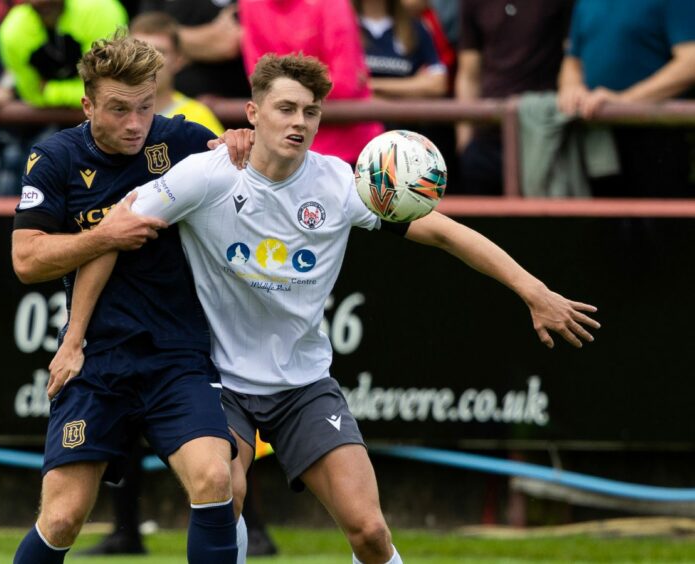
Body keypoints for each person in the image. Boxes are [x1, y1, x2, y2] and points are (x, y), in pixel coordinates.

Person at [53, 53, 601, 564]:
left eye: (311, 111)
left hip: (304, 385)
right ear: (253, 112)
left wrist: (534, 291)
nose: (299, 122)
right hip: (218, 380)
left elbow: (446, 233)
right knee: (224, 490)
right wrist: (74, 338)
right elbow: (112, 235)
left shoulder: (342, 186)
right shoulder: (208, 174)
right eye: (286, 108)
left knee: (368, 530)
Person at [11, 33, 253, 564]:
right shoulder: (54, 158)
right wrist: (104, 235)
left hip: (177, 355)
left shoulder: (183, 139)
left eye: (145, 107)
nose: (134, 124)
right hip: (96, 361)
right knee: (62, 517)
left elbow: (246, 174)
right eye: (118, 109)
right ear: (87, 104)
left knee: (216, 479)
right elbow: (26, 260)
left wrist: (238, 143)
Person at [557, 0, 695, 197]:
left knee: (658, 223)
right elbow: (572, 61)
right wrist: (571, 89)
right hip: (595, 138)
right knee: (600, 223)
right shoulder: (585, 3)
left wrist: (627, 101)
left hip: (656, 139)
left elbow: (691, 61)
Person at [238, 0, 383, 164]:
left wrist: (282, 91)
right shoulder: (250, 4)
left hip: (349, 152)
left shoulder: (332, 3)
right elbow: (260, 80)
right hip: (284, 153)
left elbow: (345, 82)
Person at [456, 0, 573, 195]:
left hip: (540, 134)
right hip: (486, 136)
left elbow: (572, 62)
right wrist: (464, 140)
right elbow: (468, 74)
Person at [0, 0, 128, 109]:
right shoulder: (13, 30)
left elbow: (107, 90)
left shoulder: (99, 10)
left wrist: (50, 90)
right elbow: (32, 95)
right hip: (48, 121)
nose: (44, 2)